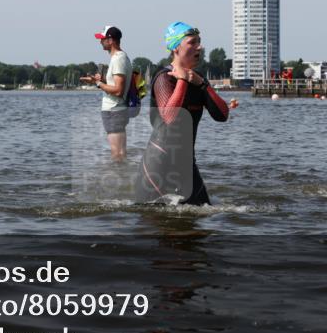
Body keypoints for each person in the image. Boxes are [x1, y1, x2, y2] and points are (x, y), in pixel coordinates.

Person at [137, 22, 237, 205]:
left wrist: (202, 84)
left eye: (199, 41)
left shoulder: (198, 80)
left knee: (202, 215)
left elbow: (222, 115)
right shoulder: (163, 78)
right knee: (156, 222)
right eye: (192, 42)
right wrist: (182, 80)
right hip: (159, 165)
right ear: (176, 48)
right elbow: (169, 117)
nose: (199, 46)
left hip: (186, 164)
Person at [81, 26, 132, 161]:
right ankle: (122, 179)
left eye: (103, 39)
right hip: (116, 110)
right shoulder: (120, 57)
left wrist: (98, 84)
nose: (100, 42)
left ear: (111, 40)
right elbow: (115, 85)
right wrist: (98, 81)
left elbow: (119, 90)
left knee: (117, 154)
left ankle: (118, 180)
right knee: (119, 153)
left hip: (114, 111)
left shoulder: (118, 59)